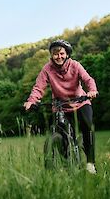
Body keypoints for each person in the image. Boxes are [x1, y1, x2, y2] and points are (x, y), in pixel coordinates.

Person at [23, 39, 99, 174]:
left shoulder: (75, 65)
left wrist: (91, 91)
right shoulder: (47, 69)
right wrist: (31, 101)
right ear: (51, 55)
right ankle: (67, 164)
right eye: (55, 54)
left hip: (80, 102)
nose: (59, 57)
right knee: (61, 133)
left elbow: (88, 79)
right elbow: (38, 87)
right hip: (60, 106)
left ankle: (90, 163)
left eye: (62, 53)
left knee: (87, 126)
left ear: (67, 54)